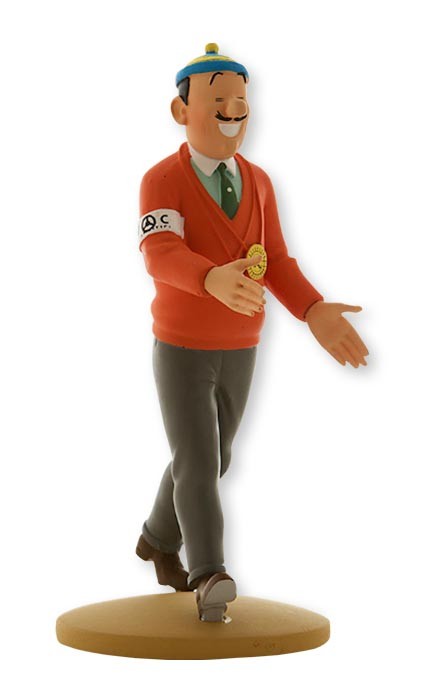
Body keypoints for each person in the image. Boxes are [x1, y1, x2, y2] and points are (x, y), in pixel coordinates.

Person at [136, 44, 369, 622]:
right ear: (180, 110)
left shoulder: (260, 182)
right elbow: (160, 251)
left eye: (241, 100)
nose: (233, 110)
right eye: (218, 98)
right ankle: (208, 573)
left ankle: (157, 538)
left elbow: (277, 260)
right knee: (197, 459)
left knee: (213, 457)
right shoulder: (162, 179)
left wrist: (312, 309)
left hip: (241, 344)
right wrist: (208, 278)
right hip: (182, 344)